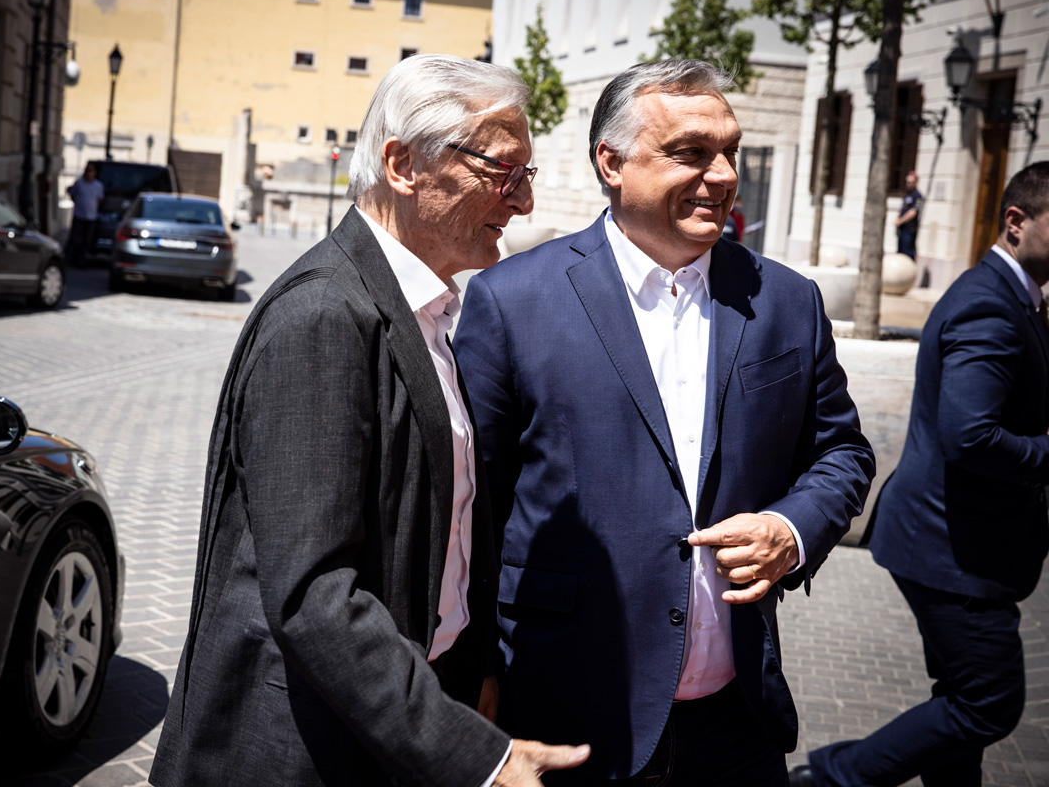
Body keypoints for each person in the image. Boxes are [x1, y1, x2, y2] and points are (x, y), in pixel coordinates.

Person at [149, 54, 589, 787]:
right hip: (303, 751)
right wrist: (476, 756)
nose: (523, 202)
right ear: (403, 165)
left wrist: (473, 667)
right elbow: (313, 595)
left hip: (390, 718)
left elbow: (447, 524)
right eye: (503, 172)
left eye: (528, 175)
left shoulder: (428, 309)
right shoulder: (324, 315)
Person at [454, 59, 875, 785]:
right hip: (568, 721)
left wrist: (792, 529)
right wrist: (476, 675)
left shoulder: (786, 301)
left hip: (737, 722)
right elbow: (471, 512)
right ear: (611, 163)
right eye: (691, 153)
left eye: (730, 151)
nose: (723, 175)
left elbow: (841, 451)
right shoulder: (511, 300)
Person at [794, 162, 1049, 787]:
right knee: (987, 703)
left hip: (951, 539)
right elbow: (970, 436)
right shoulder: (990, 306)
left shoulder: (1012, 296)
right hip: (952, 546)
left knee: (959, 697)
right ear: (1016, 222)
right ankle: (827, 779)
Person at [66, 164, 104, 265]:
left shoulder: (98, 185)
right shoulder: (79, 183)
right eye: (87, 171)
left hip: (91, 217)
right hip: (79, 216)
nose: (88, 174)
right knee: (74, 238)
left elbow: (99, 199)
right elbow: (73, 195)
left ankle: (81, 261)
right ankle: (68, 259)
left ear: (94, 173)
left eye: (90, 171)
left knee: (87, 241)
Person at [896, 170, 922, 259]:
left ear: (916, 182)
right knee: (900, 252)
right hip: (902, 228)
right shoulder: (906, 194)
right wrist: (897, 218)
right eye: (907, 182)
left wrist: (900, 221)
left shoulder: (917, 196)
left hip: (909, 229)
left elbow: (913, 212)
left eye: (911, 182)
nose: (908, 184)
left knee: (907, 253)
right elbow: (902, 208)